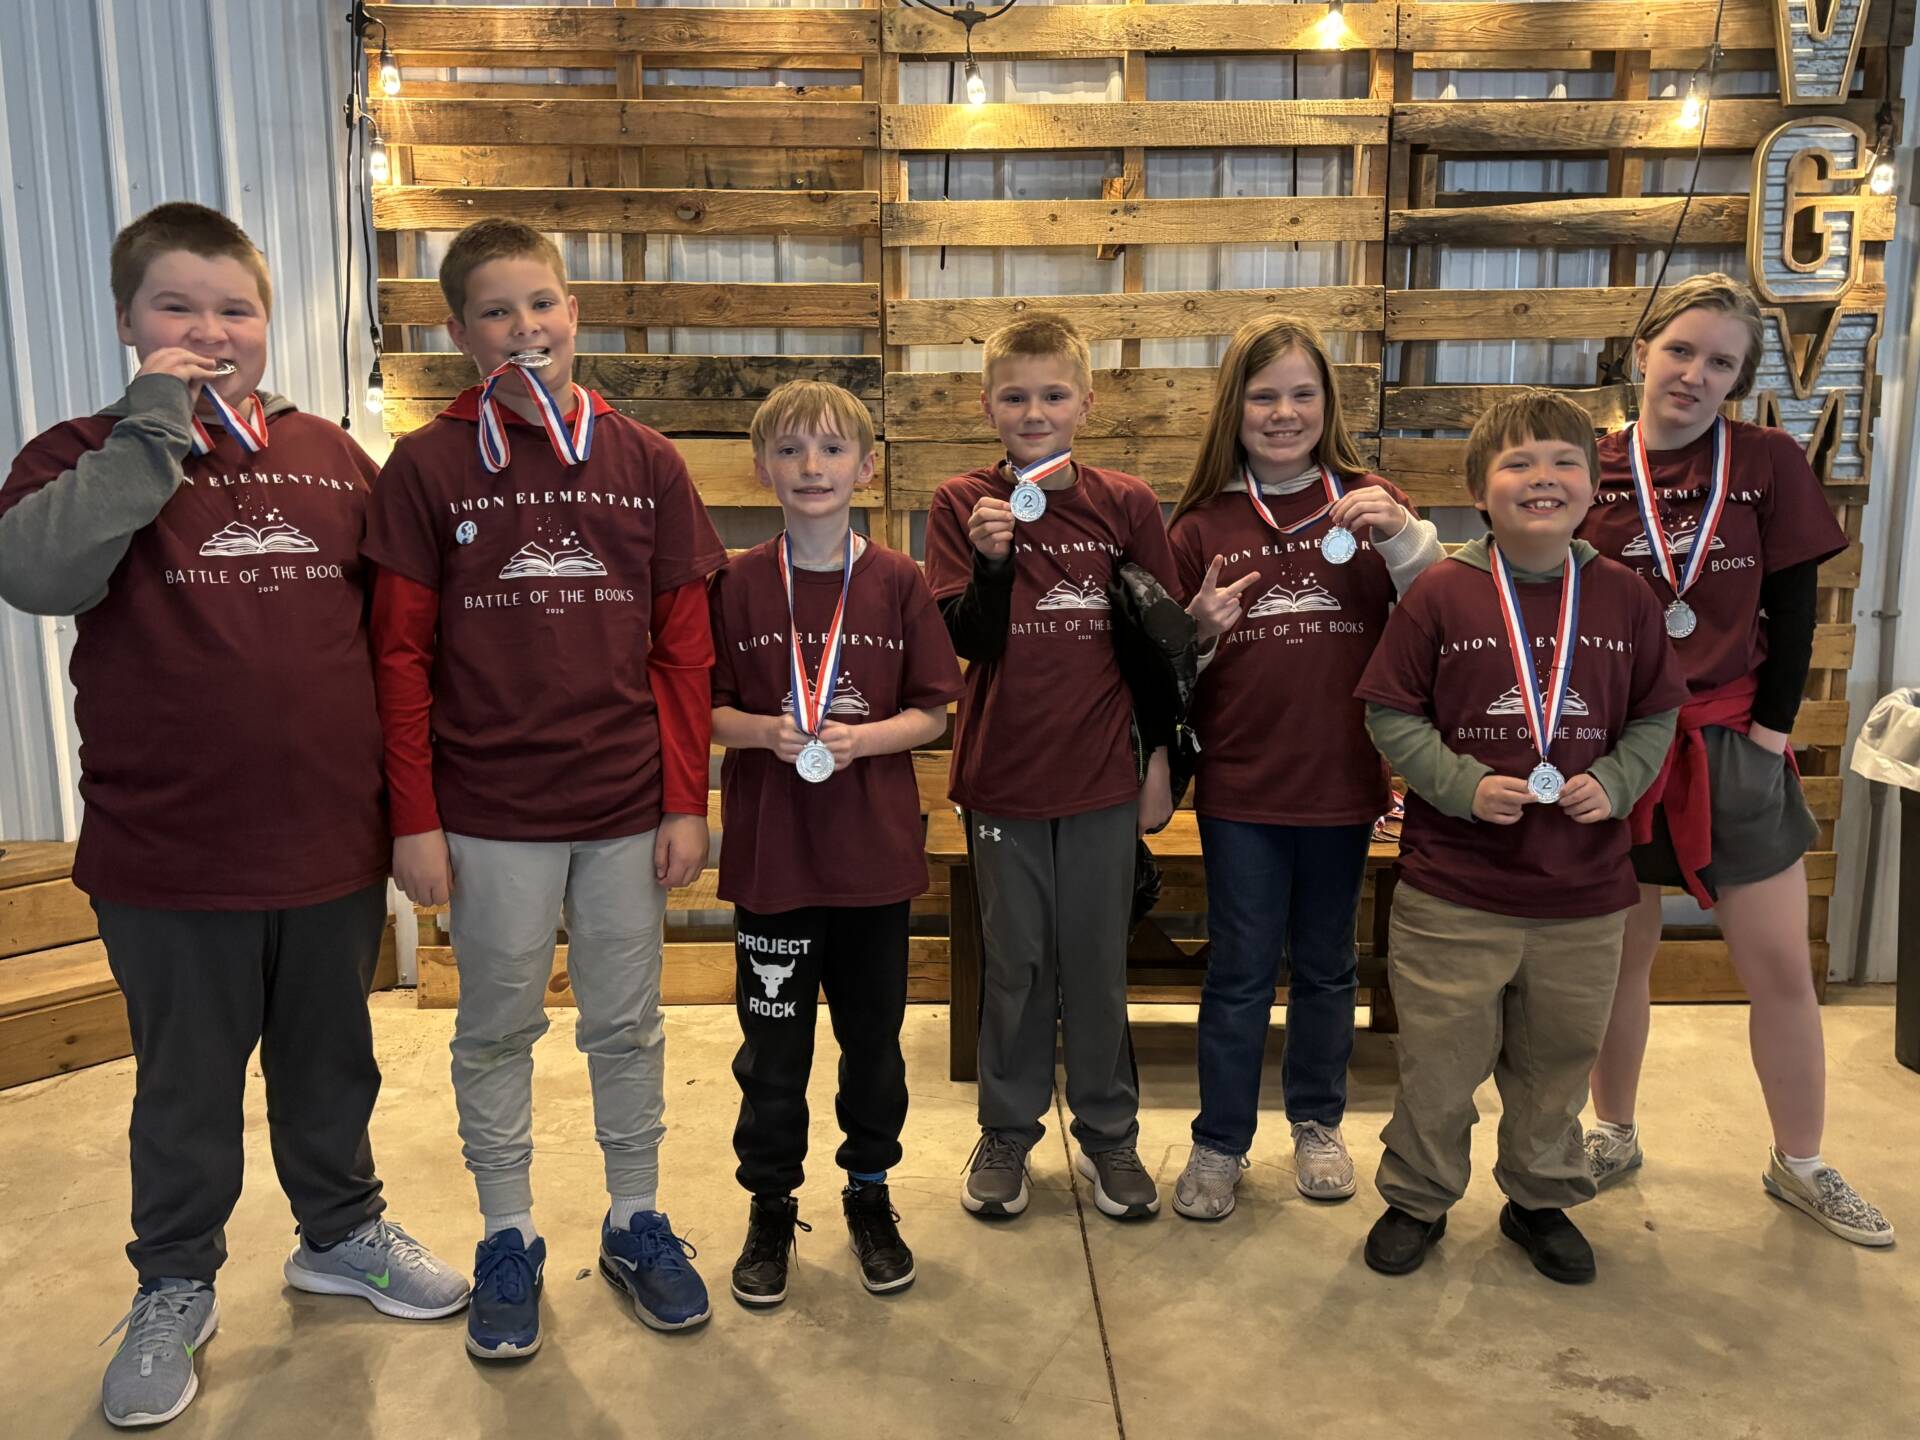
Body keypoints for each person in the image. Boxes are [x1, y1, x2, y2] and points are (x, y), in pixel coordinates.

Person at [0, 201, 467, 1429]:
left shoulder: (330, 456)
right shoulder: (81, 454)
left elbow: (401, 632)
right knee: (187, 1088)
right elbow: (37, 575)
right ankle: (174, 1283)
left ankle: (341, 1232)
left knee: (332, 1064)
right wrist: (154, 424)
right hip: (168, 856)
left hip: (328, 843)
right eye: (178, 307)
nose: (210, 331)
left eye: (234, 310)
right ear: (127, 320)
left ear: (266, 322)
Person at [365, 218, 726, 1358]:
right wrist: (415, 818)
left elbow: (685, 652)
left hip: (625, 808)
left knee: (626, 1025)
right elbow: (399, 657)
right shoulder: (427, 467)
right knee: (495, 1030)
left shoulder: (647, 461)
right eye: (495, 311)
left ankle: (634, 1217)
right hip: (489, 816)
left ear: (574, 312)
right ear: (458, 331)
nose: (524, 328)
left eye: (540, 305)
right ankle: (508, 1233)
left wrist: (686, 799)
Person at [1576, 273, 1892, 1246]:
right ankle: (1612, 1131)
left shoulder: (1766, 460)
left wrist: (1770, 730)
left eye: (1720, 362)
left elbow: (1795, 605)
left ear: (1740, 379)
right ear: (1642, 352)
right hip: (1619, 752)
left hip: (1731, 741)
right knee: (1617, 964)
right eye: (1680, 350)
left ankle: (1802, 1161)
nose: (1694, 374)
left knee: (1781, 969)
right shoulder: (1589, 463)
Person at [1355, 390, 1688, 1282]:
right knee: (1438, 1063)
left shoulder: (1624, 597)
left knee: (1557, 1064)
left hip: (1584, 897)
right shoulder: (1440, 593)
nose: (1543, 477)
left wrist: (1615, 781)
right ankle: (1418, 1197)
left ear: (1593, 487)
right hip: (1454, 891)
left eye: (1564, 461)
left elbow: (1656, 716)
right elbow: (1391, 712)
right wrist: (1459, 784)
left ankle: (1540, 1198)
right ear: (1478, 490)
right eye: (1518, 463)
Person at [1167, 314, 1443, 1220]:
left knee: (1327, 967)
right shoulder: (1200, 524)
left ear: (1328, 404)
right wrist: (1198, 633)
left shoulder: (1372, 502)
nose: (1283, 413)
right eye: (1263, 396)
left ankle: (1318, 1122)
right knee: (1240, 969)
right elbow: (1163, 671)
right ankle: (1219, 1141)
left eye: (1301, 394)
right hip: (1241, 787)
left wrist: (1404, 538)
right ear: (1234, 408)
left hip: (1344, 782)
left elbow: (1443, 620)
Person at [708, 380, 964, 1305]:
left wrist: (864, 740)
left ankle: (869, 1191)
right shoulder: (735, 583)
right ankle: (771, 1204)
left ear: (867, 468)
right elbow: (703, 711)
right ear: (761, 469)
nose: (810, 467)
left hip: (872, 864)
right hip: (774, 863)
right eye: (789, 450)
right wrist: (763, 732)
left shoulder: (898, 581)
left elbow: (933, 713)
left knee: (874, 1045)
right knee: (771, 1054)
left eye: (830, 449)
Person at [924, 312, 1184, 1221]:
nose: (1034, 412)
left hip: (1105, 776)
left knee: (1096, 964)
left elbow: (1157, 648)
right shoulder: (961, 504)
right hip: (1003, 777)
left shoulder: (1127, 504)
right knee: (1017, 964)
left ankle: (1110, 1135)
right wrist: (992, 563)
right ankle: (1007, 1129)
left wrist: (1161, 763)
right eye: (1015, 397)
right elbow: (966, 640)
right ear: (985, 406)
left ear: (1087, 403)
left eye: (1053, 394)